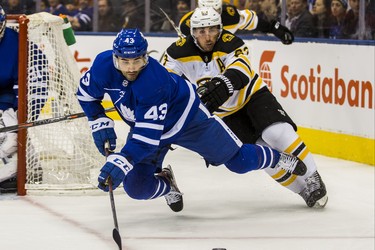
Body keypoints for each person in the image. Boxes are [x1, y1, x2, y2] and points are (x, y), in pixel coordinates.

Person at [76, 28, 307, 212]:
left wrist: (122, 160)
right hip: (148, 128)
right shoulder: (102, 66)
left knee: (239, 162)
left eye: (137, 61)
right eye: (125, 62)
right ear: (115, 58)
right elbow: (86, 94)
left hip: (188, 121)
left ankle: (277, 157)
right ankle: (167, 184)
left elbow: (147, 139)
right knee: (136, 187)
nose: (131, 68)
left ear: (145, 57)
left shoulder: (153, 82)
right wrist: (97, 119)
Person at [161, 7, 328, 208]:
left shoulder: (231, 42)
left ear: (220, 28)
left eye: (212, 30)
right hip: (225, 115)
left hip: (252, 96)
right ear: (192, 32)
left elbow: (241, 70)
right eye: (201, 31)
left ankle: (312, 177)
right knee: (261, 150)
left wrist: (221, 85)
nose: (207, 37)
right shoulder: (176, 52)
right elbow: (166, 83)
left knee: (276, 133)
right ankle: (302, 190)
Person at [0, 6, 47, 193]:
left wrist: (23, 115)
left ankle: (26, 167)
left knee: (8, 133)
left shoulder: (20, 45)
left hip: (8, 99)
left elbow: (37, 85)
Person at [179, 0, 294, 45]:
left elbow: (253, 21)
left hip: (224, 59)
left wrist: (274, 28)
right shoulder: (186, 25)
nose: (211, 18)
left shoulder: (230, 15)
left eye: (216, 12)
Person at [0, 5, 18, 192]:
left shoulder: (16, 42)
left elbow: (26, 82)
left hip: (6, 98)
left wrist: (17, 108)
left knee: (8, 134)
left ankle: (20, 167)